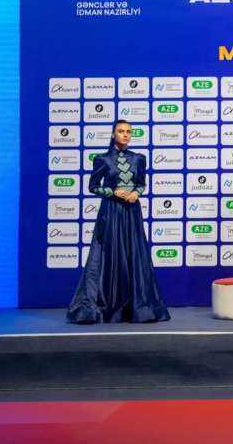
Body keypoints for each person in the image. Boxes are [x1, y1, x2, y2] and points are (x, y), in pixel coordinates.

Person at [67, 120, 169, 323]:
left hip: (132, 212)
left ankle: (138, 307)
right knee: (109, 254)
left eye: (128, 132)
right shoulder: (103, 159)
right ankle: (106, 306)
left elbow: (141, 183)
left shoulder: (138, 158)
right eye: (121, 131)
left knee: (134, 254)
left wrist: (136, 193)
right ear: (113, 134)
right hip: (111, 212)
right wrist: (112, 192)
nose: (125, 135)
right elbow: (93, 186)